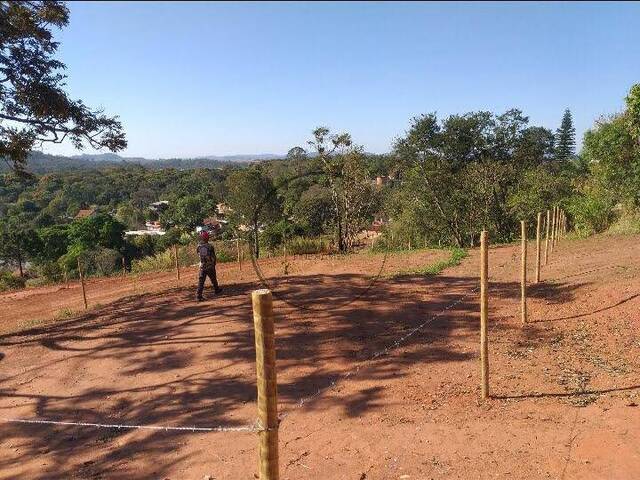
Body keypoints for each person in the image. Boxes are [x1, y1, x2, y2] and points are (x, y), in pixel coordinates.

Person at [196, 230, 222, 301]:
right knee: (213, 279)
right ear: (207, 238)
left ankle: (198, 296)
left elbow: (198, 254)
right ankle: (217, 289)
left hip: (202, 266)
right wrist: (214, 263)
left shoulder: (198, 246)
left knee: (201, 281)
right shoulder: (210, 246)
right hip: (210, 265)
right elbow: (213, 256)